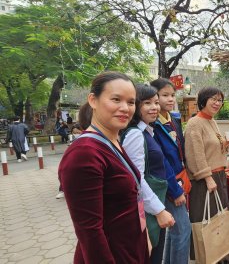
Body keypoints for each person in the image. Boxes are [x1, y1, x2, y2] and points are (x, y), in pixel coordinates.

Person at [59, 71, 150, 263]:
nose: (125, 108)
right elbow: (89, 231)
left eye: (131, 102)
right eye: (116, 99)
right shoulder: (84, 153)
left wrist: (144, 237)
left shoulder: (112, 141)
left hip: (131, 248)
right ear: (93, 100)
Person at [121, 84, 178, 263]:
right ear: (136, 106)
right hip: (148, 208)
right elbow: (136, 178)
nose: (154, 107)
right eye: (147, 103)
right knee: (152, 253)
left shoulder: (147, 130)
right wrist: (159, 210)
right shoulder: (136, 134)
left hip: (152, 203)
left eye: (155, 102)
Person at [184, 87, 229, 260]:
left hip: (218, 176)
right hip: (205, 179)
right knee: (205, 222)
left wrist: (225, 144)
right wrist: (207, 178)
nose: (217, 103)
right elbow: (195, 155)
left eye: (220, 100)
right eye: (213, 99)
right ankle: (204, 257)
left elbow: (211, 148)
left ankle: (217, 255)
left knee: (218, 220)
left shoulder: (211, 120)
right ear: (203, 100)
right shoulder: (195, 123)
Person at [150, 78, 191, 264]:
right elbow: (161, 162)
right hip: (168, 183)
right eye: (164, 95)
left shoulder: (174, 119)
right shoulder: (152, 124)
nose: (170, 99)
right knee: (183, 230)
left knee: (174, 230)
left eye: (173, 95)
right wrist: (175, 190)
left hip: (180, 178)